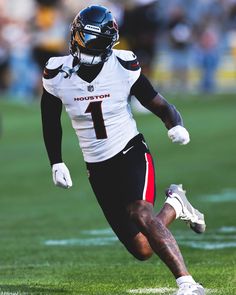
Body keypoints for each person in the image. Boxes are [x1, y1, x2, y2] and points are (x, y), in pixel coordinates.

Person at [40, 5, 206, 295]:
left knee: (141, 213)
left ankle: (187, 283)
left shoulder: (124, 65)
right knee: (143, 249)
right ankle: (177, 204)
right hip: (97, 165)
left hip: (130, 151)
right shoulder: (57, 73)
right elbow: (50, 121)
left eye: (95, 42)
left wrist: (174, 125)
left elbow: (160, 104)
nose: (88, 48)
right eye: (85, 40)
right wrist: (57, 162)